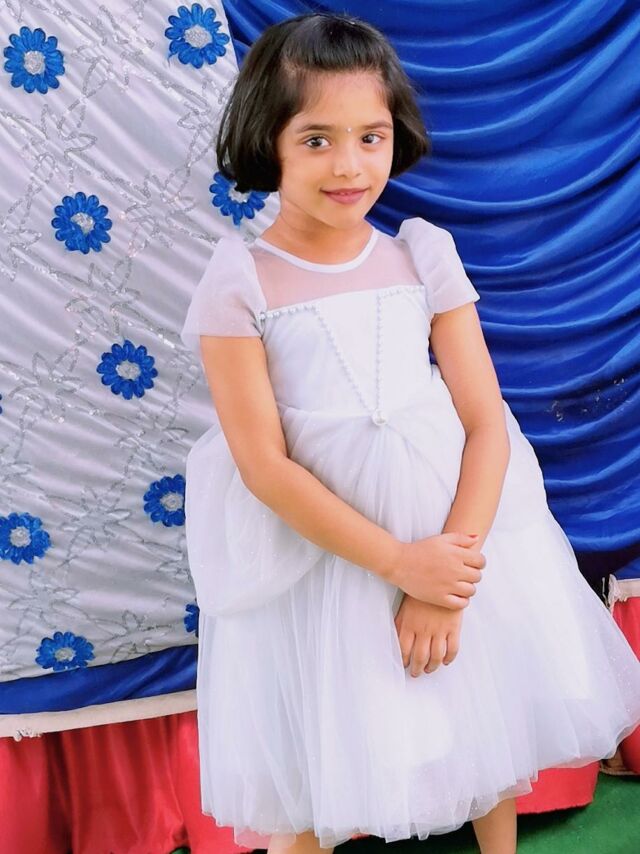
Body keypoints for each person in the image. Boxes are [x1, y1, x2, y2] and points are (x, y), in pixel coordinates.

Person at [179, 12, 640, 854]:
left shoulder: (422, 255)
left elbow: (486, 422)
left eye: (371, 136)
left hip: (453, 535)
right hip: (321, 557)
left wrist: (443, 577)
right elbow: (264, 466)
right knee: (314, 763)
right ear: (267, 139)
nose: (349, 165)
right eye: (316, 140)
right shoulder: (240, 282)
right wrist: (397, 564)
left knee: (481, 727)